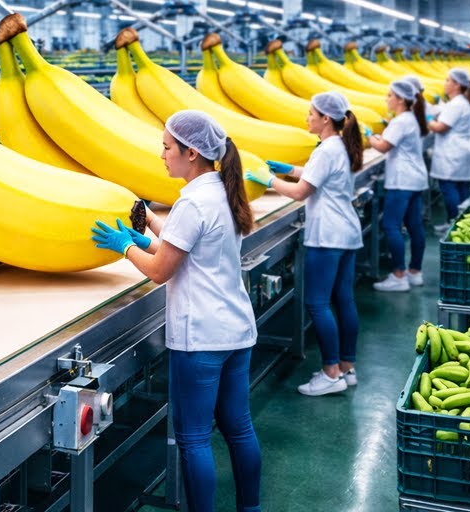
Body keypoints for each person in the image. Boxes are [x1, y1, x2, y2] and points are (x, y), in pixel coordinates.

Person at [91, 110, 261, 512]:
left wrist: (124, 248)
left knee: (194, 438)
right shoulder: (224, 190)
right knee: (239, 428)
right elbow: (188, 251)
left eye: (167, 147)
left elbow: (160, 271)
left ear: (190, 153)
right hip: (236, 331)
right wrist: (147, 226)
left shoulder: (192, 203)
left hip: (201, 339)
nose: (162, 154)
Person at [245, 92, 362, 396]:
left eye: (311, 113)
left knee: (317, 302)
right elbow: (315, 177)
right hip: (346, 231)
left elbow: (300, 193)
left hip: (328, 236)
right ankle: (347, 367)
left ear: (325, 118)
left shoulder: (326, 150)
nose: (307, 118)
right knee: (343, 299)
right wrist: (287, 170)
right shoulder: (339, 145)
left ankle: (330, 372)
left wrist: (267, 180)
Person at [369, 78, 430, 292]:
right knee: (414, 225)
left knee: (391, 226)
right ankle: (415, 272)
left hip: (402, 181)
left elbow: (383, 147)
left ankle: (398, 275)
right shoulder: (410, 118)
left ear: (401, 99)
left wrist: (369, 137)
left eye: (390, 96)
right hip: (415, 179)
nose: (387, 99)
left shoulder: (401, 120)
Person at [429, 69, 470, 232]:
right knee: (461, 188)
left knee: (449, 188)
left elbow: (440, 128)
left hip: (453, 153)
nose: (445, 83)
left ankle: (454, 223)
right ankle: (462, 223)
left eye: (448, 80)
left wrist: (427, 117)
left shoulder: (457, 104)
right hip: (461, 151)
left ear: (457, 85)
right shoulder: (460, 102)